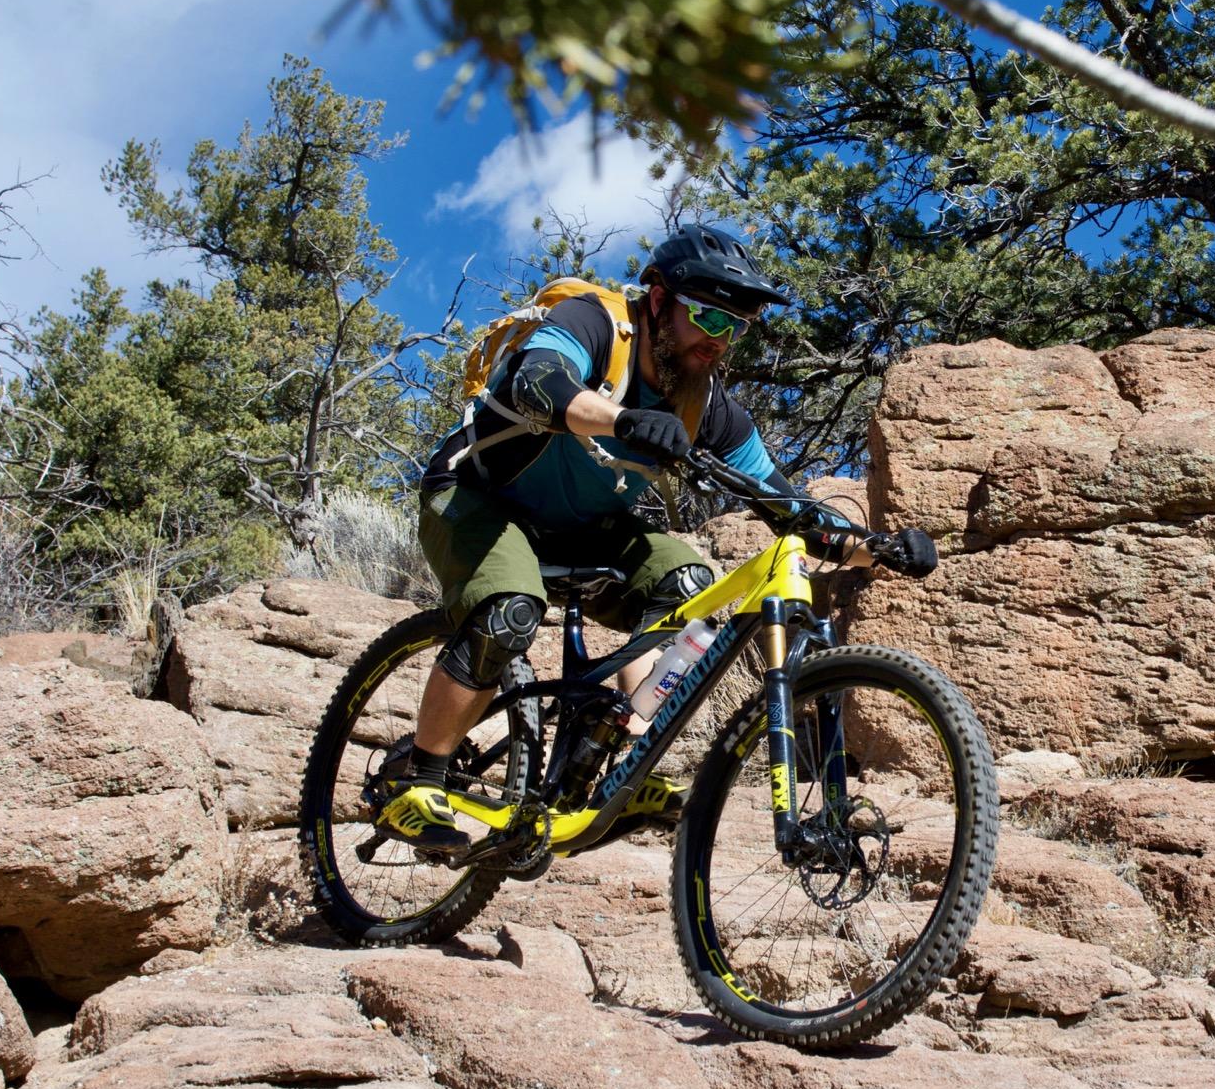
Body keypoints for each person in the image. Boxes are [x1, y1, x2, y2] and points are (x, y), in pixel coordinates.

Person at [378, 224, 937, 861]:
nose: (718, 339)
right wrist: (622, 420)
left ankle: (619, 752)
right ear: (659, 299)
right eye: (707, 316)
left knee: (691, 592)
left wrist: (877, 549)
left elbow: (792, 510)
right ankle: (416, 780)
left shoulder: (707, 405)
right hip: (480, 496)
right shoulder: (595, 323)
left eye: (735, 326)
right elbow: (538, 382)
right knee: (509, 610)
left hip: (586, 529)